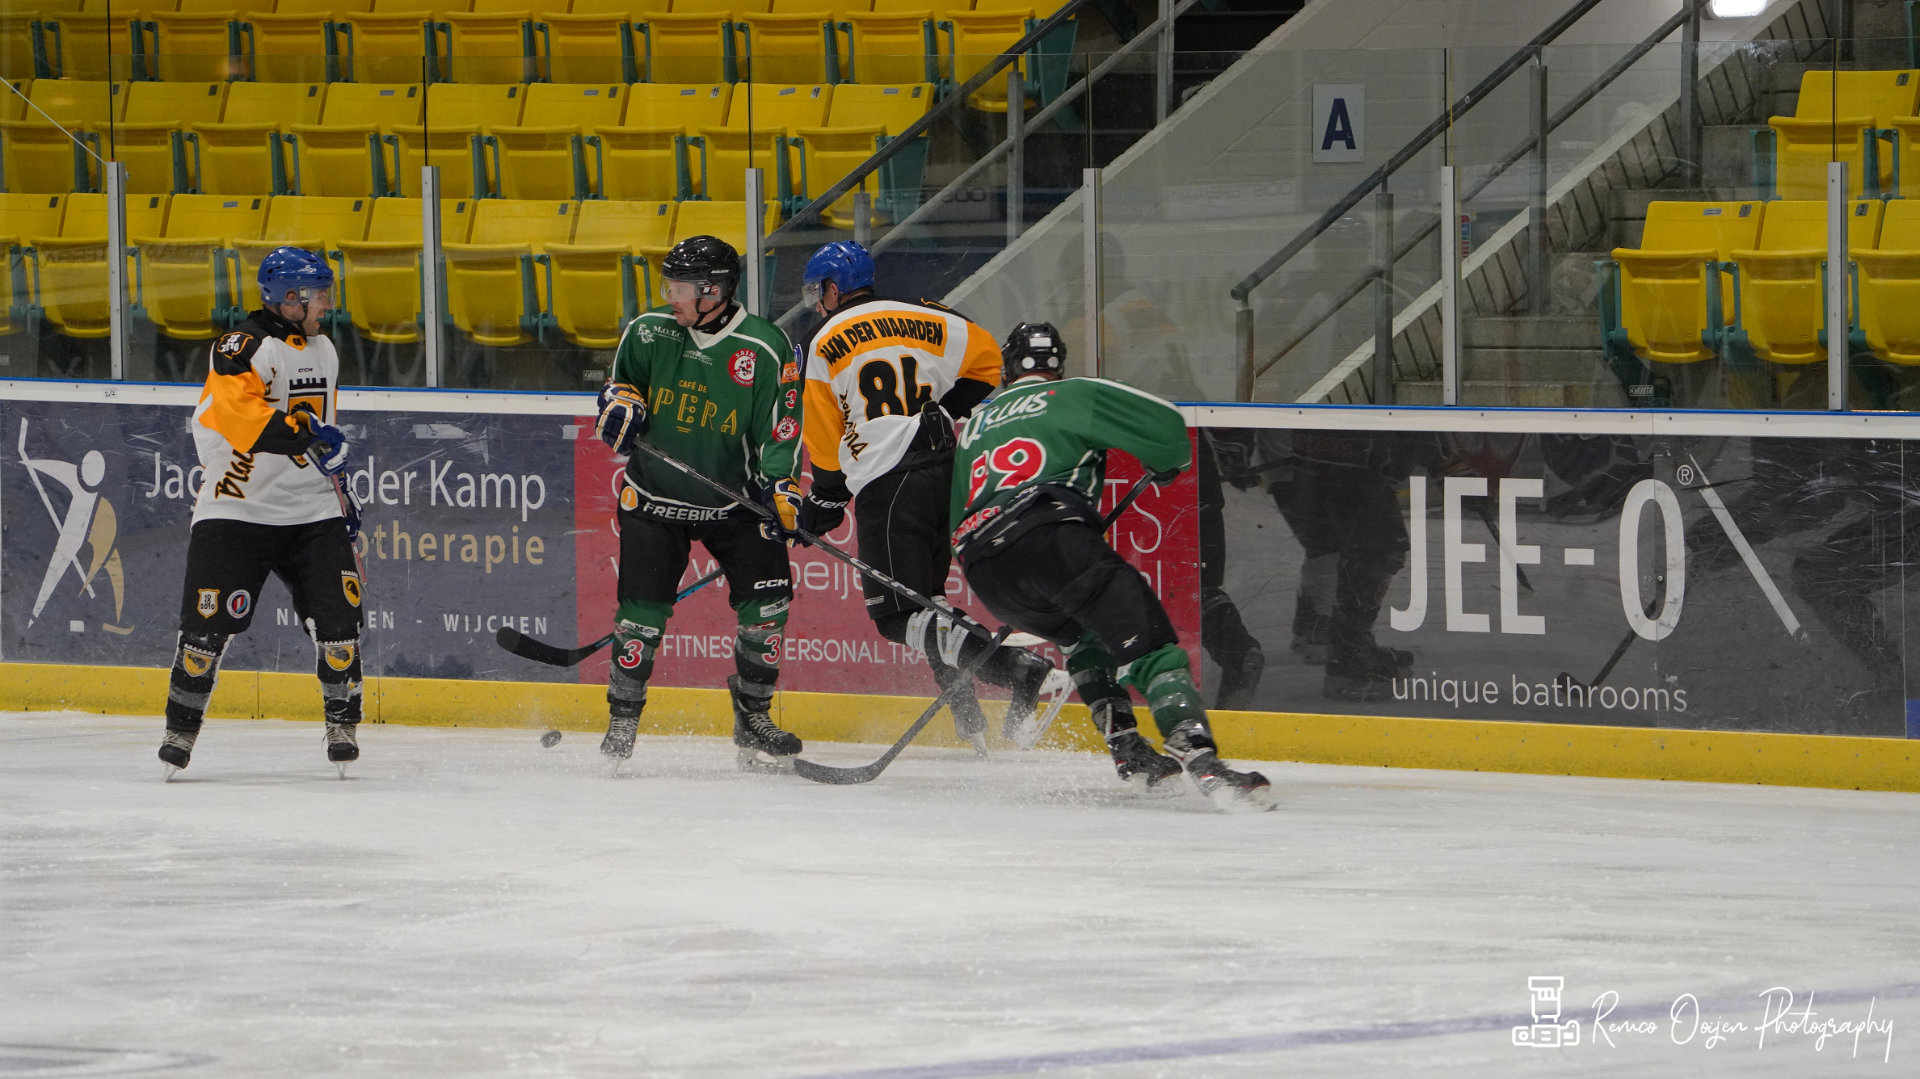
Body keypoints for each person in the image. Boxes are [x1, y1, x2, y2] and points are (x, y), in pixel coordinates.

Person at [950, 322, 1274, 811]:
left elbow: (956, 518)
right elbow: (1168, 427)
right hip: (1050, 534)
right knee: (1149, 640)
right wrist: (1165, 462)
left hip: (985, 568)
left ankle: (1129, 749)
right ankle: (1201, 758)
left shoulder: (975, 425)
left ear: (1007, 370)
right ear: (1058, 366)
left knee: (1085, 639)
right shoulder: (1073, 394)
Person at [795, 241, 1068, 753]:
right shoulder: (926, 313)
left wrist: (823, 503)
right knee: (928, 601)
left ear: (833, 288)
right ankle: (968, 717)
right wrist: (941, 407)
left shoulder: (819, 340)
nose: (816, 303)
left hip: (888, 479)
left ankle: (1018, 669)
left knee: (896, 616)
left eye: (817, 292)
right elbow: (989, 362)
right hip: (945, 469)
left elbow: (824, 435)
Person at [594, 235, 806, 771]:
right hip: (653, 499)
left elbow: (779, 430)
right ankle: (622, 719)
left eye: (681, 288)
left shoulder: (765, 347)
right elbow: (621, 388)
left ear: (714, 291)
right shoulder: (648, 332)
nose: (671, 297)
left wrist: (780, 486)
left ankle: (754, 717)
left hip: (735, 504)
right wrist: (618, 406)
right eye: (669, 286)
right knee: (641, 617)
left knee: (768, 609)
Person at [158, 247, 362, 778]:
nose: (327, 303)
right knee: (203, 636)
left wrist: (340, 488)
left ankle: (343, 727)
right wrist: (308, 435)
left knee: (340, 628)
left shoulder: (325, 348)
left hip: (312, 510)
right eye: (319, 294)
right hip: (236, 507)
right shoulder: (241, 346)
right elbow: (240, 416)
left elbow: (321, 427)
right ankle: (180, 732)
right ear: (289, 298)